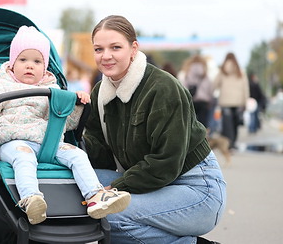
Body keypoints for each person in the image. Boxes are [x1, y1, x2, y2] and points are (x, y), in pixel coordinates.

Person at [0, 26, 131, 225]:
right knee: (24, 158)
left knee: (78, 155)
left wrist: (76, 105)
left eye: (37, 61)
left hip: (48, 143)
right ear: (12, 62)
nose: (29, 66)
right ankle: (31, 198)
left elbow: (66, 123)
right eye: (23, 60)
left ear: (45, 66)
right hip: (13, 141)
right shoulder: (0, 85)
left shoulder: (51, 89)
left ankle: (95, 196)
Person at [83, 15, 226, 244]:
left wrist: (116, 188)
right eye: (99, 49)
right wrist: (69, 137)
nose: (106, 56)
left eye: (115, 47)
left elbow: (166, 162)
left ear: (133, 48)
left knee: (108, 215)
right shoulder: (100, 93)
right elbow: (101, 156)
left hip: (196, 189)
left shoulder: (163, 87)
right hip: (148, 183)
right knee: (75, 188)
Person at [214, 52, 249, 149]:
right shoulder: (240, 71)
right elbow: (245, 88)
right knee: (235, 123)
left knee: (227, 124)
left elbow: (215, 84)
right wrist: (245, 101)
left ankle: (228, 145)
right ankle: (233, 143)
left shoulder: (222, 71)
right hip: (238, 102)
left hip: (225, 102)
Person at [180, 54, 214, 127]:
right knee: (203, 124)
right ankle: (203, 137)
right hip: (203, 102)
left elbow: (183, 87)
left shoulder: (187, 74)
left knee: (191, 124)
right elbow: (210, 89)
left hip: (191, 101)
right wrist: (210, 100)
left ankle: (192, 138)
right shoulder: (205, 75)